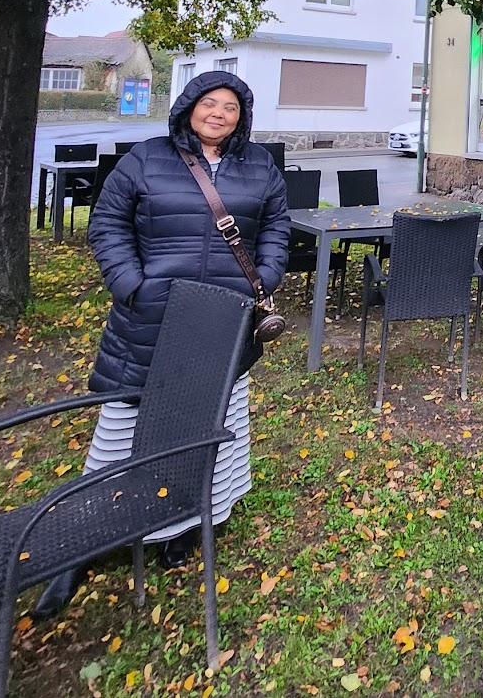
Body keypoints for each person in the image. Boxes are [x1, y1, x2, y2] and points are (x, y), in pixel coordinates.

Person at [32, 69, 290, 617]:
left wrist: (263, 277)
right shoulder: (147, 158)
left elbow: (276, 225)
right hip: (151, 316)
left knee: (214, 423)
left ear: (242, 117)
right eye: (209, 103)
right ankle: (83, 543)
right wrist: (131, 285)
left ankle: (190, 523)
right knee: (125, 426)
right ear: (189, 106)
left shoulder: (259, 164)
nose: (219, 114)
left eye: (231, 107)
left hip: (225, 318)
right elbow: (107, 223)